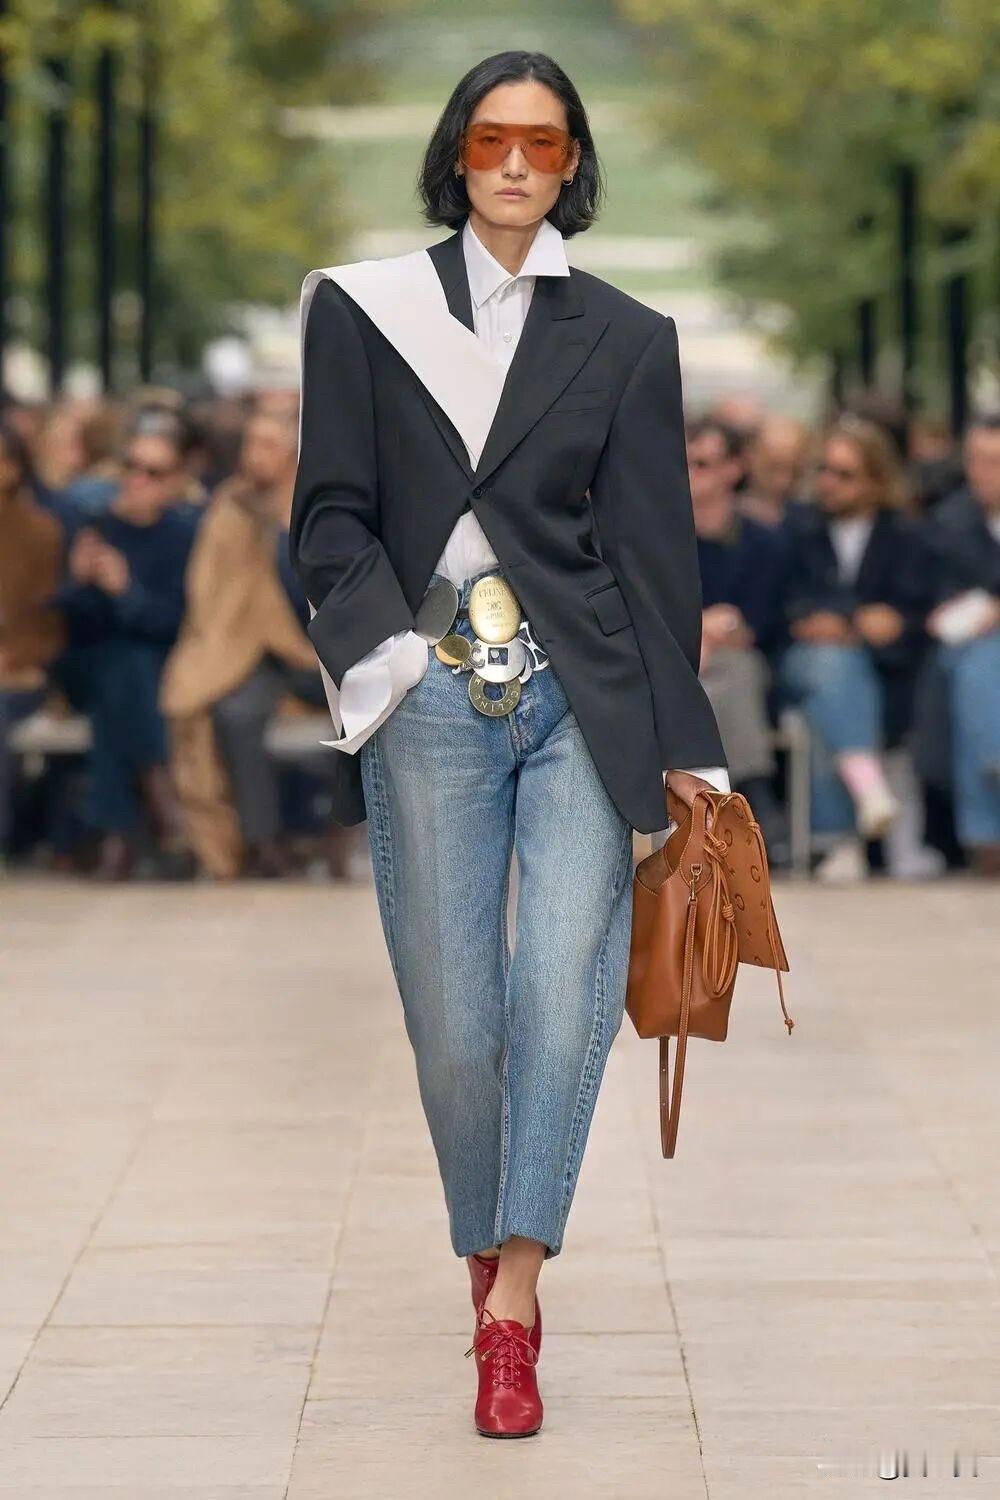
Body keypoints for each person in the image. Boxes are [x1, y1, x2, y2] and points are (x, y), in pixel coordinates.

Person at [289, 50, 729, 1438]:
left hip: (581, 695)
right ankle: (486, 1242)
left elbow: (653, 549)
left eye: (544, 141)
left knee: (560, 998)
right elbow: (329, 512)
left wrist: (687, 744)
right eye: (492, 140)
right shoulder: (363, 311)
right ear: (457, 154)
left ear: (574, 161)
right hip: (425, 687)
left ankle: (512, 1305)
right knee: (455, 1025)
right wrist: (378, 655)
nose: (518, 163)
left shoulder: (630, 335)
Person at [161, 410, 331, 879]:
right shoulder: (231, 509)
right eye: (250, 443)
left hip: (318, 652)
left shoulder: (318, 510)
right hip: (251, 652)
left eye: (267, 445)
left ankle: (326, 829)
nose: (254, 455)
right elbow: (211, 590)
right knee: (235, 712)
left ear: (293, 454)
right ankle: (262, 842)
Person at [781, 416, 934, 881]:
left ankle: (839, 841)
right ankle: (869, 793)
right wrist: (855, 622)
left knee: (829, 701)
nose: (828, 482)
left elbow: (911, 611)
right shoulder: (800, 528)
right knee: (831, 665)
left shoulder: (905, 535)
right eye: (824, 470)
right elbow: (789, 603)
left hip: (881, 670)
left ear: (876, 481)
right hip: (802, 660)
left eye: (844, 474)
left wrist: (864, 624)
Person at [52, 423, 201, 879]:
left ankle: (117, 834)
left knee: (121, 682)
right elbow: (72, 624)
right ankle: (158, 786)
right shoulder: (95, 526)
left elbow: (172, 624)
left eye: (153, 473)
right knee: (122, 666)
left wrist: (125, 591)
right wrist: (79, 581)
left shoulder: (182, 536)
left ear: (174, 482)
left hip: (149, 669)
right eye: (131, 467)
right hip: (87, 665)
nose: (137, 480)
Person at [686, 416, 790, 850]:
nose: (689, 474)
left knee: (736, 671)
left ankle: (719, 811)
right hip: (676, 662)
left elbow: (761, 624)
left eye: (702, 463)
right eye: (682, 462)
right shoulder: (656, 538)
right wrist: (703, 627)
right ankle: (750, 801)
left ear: (734, 468)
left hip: (742, 666)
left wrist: (715, 629)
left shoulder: (764, 542)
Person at [922, 413, 1000, 874]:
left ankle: (985, 836)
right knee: (976, 669)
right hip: (964, 651)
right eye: (974, 460)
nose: (981, 472)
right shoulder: (950, 522)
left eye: (993, 461)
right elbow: (938, 598)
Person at [0, 420, 67, 861]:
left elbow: (48, 625)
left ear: (13, 469)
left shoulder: (41, 533)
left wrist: (11, 657)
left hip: (22, 671)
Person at [741, 413, 812, 529]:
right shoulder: (726, 520)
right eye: (772, 469)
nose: (783, 482)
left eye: (795, 471)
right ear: (750, 458)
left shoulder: (811, 520)